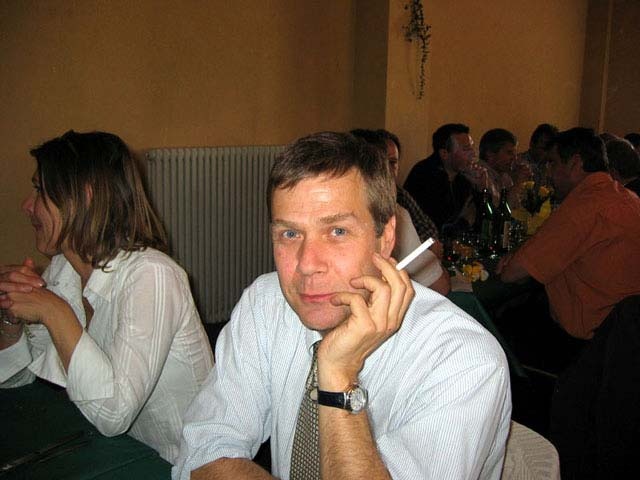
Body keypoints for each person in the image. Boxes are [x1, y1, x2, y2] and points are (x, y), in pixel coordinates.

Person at [173, 131, 511, 479]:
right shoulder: (266, 304)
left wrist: (337, 376)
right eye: (290, 234)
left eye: (337, 231)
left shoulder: (463, 359)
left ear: (385, 239)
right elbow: (204, 450)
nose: (307, 264)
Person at [0, 130, 214, 463]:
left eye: (40, 191)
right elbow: (20, 378)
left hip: (184, 462)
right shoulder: (64, 270)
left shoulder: (152, 275)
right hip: (119, 451)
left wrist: (53, 311)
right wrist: (11, 315)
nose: (27, 206)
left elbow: (114, 415)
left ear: (84, 198)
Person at [497, 127, 640, 340]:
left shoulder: (584, 206)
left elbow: (511, 273)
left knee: (500, 324)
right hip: (627, 332)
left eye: (552, 163)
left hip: (594, 340)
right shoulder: (628, 198)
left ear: (575, 163)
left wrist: (514, 257)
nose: (548, 173)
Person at [350, 128, 450, 295]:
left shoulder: (400, 197)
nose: (387, 171)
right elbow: (441, 287)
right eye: (380, 163)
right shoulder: (393, 213)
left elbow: (430, 231)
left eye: (392, 162)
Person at [404, 123, 488, 235]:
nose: (473, 154)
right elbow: (436, 228)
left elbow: (484, 223)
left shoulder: (463, 177)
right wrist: (465, 222)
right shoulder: (425, 175)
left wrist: (481, 189)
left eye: (472, 148)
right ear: (444, 153)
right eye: (466, 149)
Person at [478, 128, 532, 207]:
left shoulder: (504, 176)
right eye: (509, 153)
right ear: (490, 154)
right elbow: (501, 210)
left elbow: (518, 207)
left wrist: (519, 181)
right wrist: (518, 183)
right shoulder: (479, 175)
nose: (514, 158)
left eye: (515, 154)